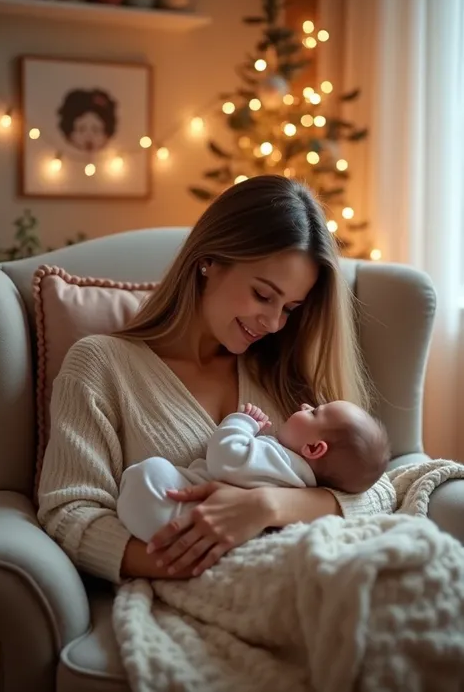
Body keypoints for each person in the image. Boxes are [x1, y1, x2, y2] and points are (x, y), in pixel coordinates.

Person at [37, 174, 396, 583]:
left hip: (290, 584)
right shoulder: (101, 365)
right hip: (190, 593)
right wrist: (188, 562)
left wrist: (266, 506)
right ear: (209, 260)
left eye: (290, 308)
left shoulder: (283, 374)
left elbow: (378, 491)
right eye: (263, 295)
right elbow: (67, 512)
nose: (274, 323)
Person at [117, 401, 390, 544]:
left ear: (314, 448)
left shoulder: (281, 460)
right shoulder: (300, 483)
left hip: (174, 510)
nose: (305, 405)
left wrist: (241, 422)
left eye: (315, 412)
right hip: (189, 529)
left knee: (150, 471)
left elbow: (226, 457)